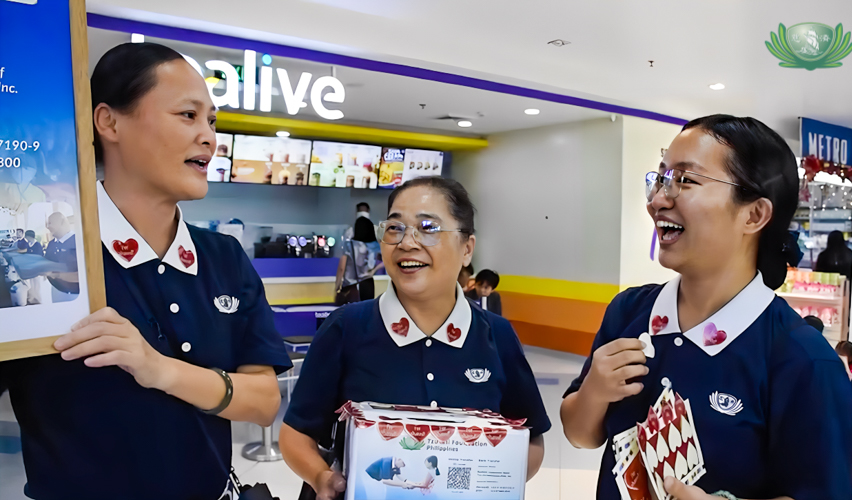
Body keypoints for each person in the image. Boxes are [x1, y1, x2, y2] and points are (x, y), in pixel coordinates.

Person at [0, 42, 291, 500]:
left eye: (212, 121)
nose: (209, 137)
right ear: (109, 122)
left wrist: (157, 368)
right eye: (188, 115)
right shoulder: (50, 257)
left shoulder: (224, 257)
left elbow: (263, 401)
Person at [560, 115, 852, 500]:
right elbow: (580, 434)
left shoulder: (802, 360)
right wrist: (594, 392)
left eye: (685, 180)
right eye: (661, 178)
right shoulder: (628, 310)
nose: (657, 200)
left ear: (754, 214)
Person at [280, 177, 550, 500]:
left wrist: (493, 481)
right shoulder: (345, 328)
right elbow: (296, 433)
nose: (407, 242)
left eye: (427, 227)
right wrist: (321, 477)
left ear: (467, 249)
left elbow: (532, 440)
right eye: (395, 228)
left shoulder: (497, 335)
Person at [335, 206, 384, 304]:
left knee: (351, 314)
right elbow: (387, 260)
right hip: (368, 283)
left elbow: (341, 268)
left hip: (351, 285)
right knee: (366, 312)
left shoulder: (349, 245)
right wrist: (374, 270)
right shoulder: (374, 245)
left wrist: (337, 287)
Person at [43, 212, 79, 303]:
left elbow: (83, 275)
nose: (47, 227)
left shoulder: (78, 242)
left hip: (74, 296)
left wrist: (56, 274)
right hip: (55, 291)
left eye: (50, 223)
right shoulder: (51, 244)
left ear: (62, 222)